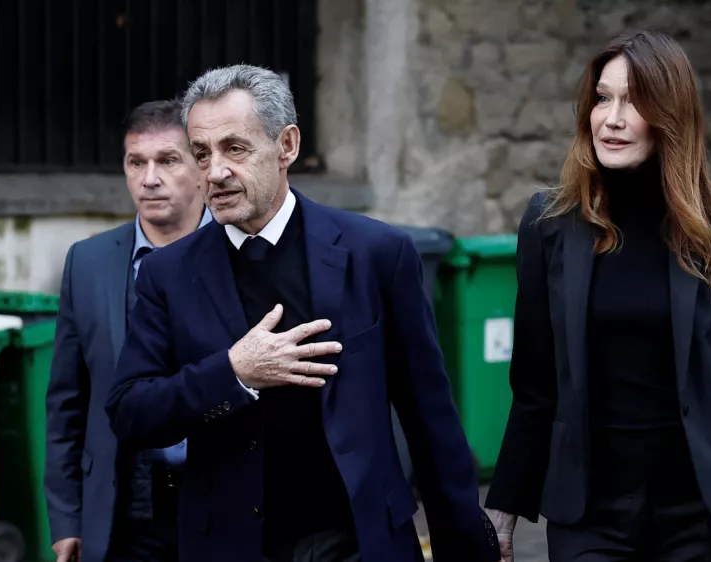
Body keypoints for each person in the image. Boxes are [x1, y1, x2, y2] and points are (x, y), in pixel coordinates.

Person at [103, 64, 500, 562]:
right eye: (202, 154)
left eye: (235, 149)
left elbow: (430, 417)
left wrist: (466, 545)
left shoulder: (376, 253)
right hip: (232, 545)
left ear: (286, 146)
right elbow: (131, 412)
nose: (215, 172)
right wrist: (234, 373)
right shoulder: (169, 273)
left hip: (360, 540)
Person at [483, 31, 711, 562]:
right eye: (602, 98)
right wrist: (501, 516)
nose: (611, 119)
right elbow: (535, 388)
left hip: (704, 514)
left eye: (633, 101)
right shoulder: (550, 224)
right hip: (591, 515)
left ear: (670, 116)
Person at [44, 99, 213, 562]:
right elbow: (67, 401)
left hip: (222, 501)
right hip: (123, 508)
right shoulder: (88, 262)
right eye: (136, 162)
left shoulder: (240, 252)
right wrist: (66, 517)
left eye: (167, 160)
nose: (149, 178)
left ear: (201, 167)